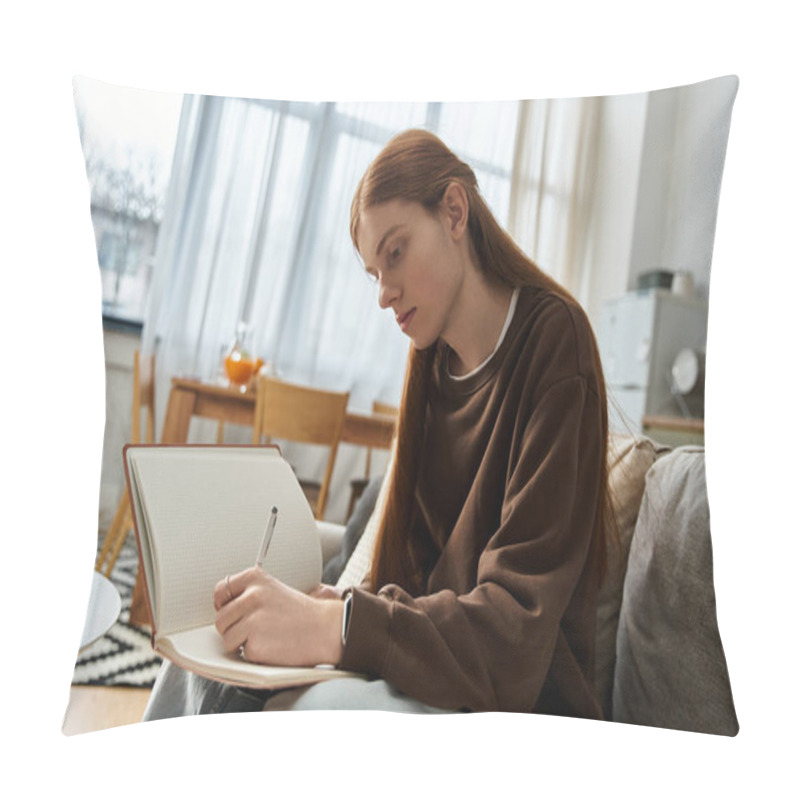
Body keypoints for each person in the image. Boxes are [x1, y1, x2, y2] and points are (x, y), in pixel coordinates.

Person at [143, 128, 612, 721]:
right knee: (201, 658)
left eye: (396, 253)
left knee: (309, 709)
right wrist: (333, 608)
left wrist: (340, 624)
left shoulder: (555, 342)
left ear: (454, 212)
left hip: (514, 701)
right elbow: (411, 577)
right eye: (374, 272)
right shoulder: (431, 361)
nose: (386, 293)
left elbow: (515, 633)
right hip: (433, 670)